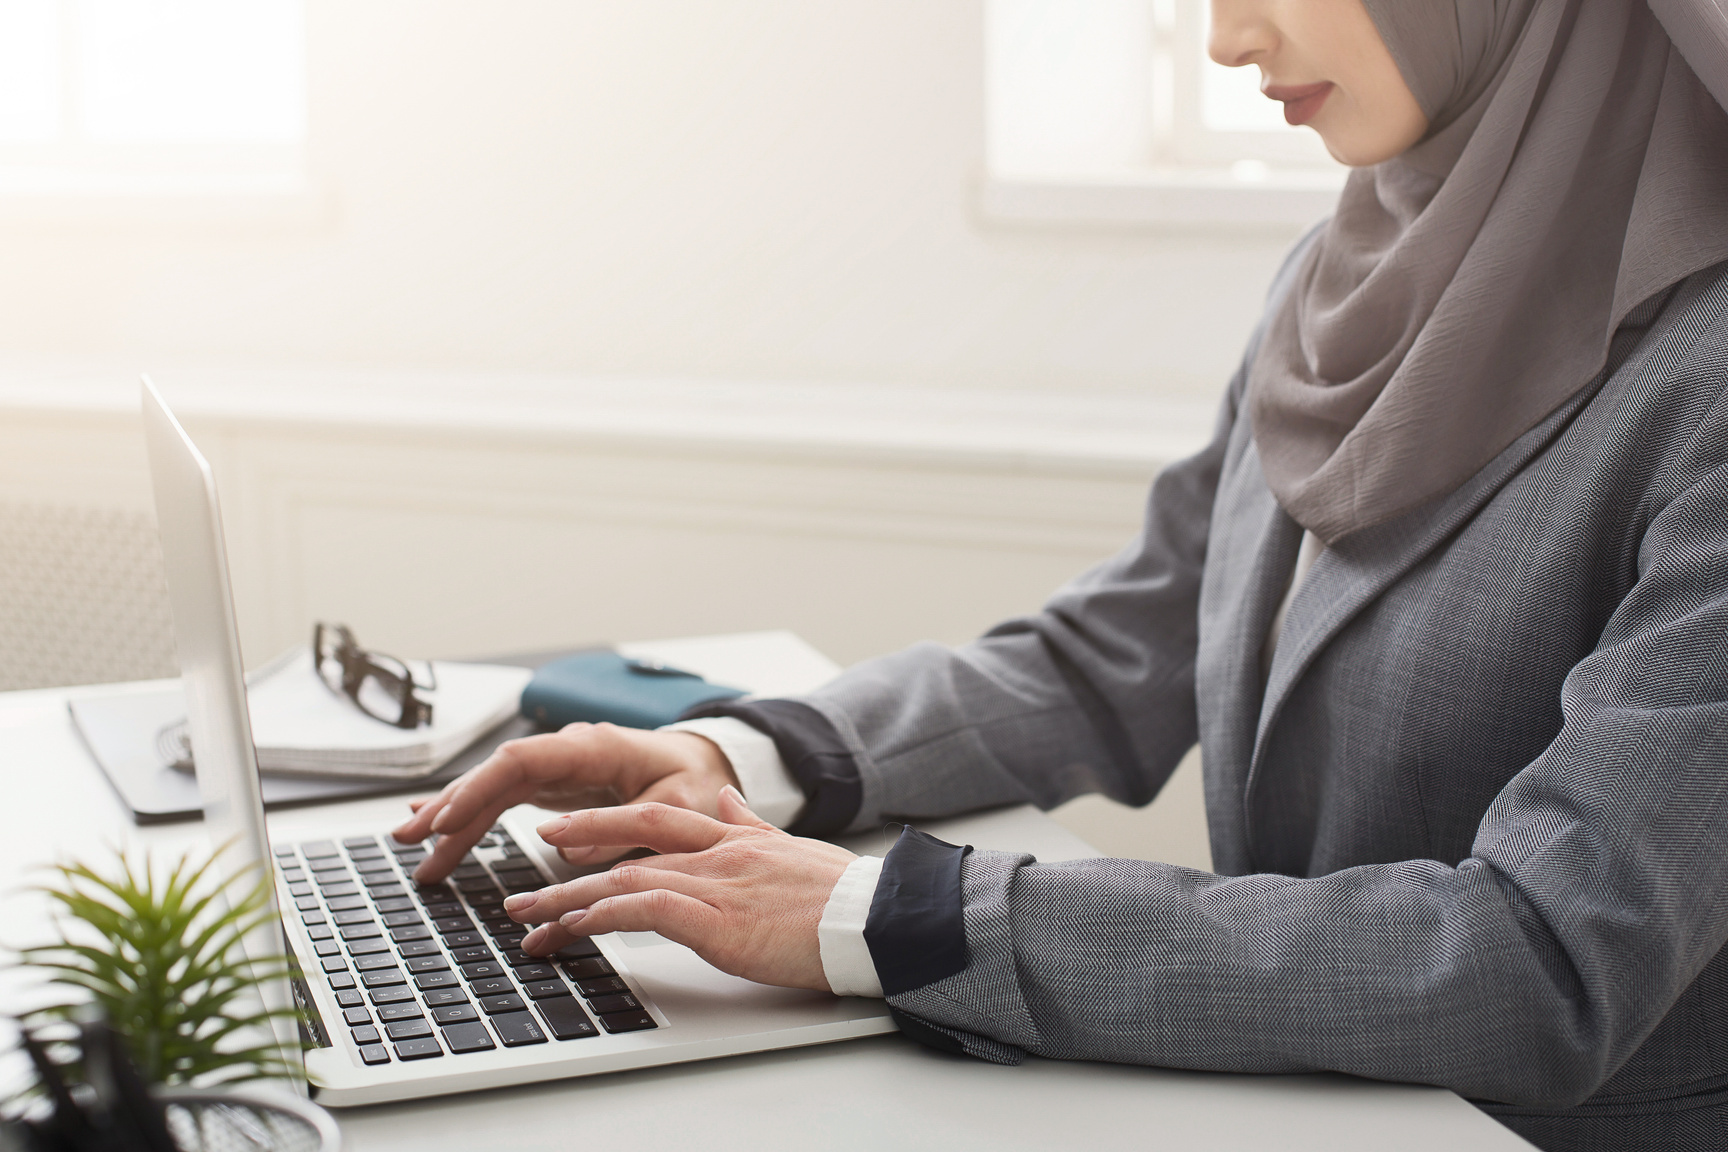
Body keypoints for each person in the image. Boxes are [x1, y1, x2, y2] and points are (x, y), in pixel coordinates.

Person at [393, 2, 1728, 1147]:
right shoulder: (1344, 275)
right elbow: (1127, 648)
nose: (1223, 39)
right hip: (1285, 1112)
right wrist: (744, 759)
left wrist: (889, 913)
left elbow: (1547, 956)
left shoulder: (1709, 386)